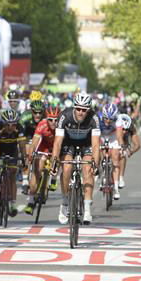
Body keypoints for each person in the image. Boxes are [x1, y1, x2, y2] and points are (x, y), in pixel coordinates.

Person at [51, 92, 100, 225]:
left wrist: (96, 164)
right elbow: (57, 142)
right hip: (68, 143)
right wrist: (54, 161)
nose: (80, 112)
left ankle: (87, 209)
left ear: (88, 110)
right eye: (78, 108)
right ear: (74, 108)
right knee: (66, 167)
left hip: (86, 144)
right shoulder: (64, 116)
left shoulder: (94, 118)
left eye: (84, 110)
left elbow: (95, 144)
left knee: (87, 169)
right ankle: (65, 201)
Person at [24, 104, 59, 215]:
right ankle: (30, 202)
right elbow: (34, 141)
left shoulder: (62, 125)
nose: (53, 122)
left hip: (57, 145)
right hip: (44, 145)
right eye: (50, 120)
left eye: (56, 120)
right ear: (46, 118)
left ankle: (53, 178)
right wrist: (31, 153)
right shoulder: (42, 124)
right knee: (37, 169)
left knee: (58, 157)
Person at [0, 108, 26, 217]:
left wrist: (24, 158)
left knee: (12, 175)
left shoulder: (19, 128)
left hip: (12, 150)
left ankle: (12, 204)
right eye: (7, 125)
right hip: (0, 149)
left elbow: (22, 145)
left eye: (13, 125)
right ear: (3, 123)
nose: (10, 127)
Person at [98, 103, 125, 200]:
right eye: (106, 118)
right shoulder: (98, 118)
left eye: (111, 119)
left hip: (113, 136)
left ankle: (116, 189)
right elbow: (95, 136)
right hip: (101, 135)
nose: (108, 121)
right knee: (98, 153)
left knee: (115, 159)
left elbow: (119, 136)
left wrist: (121, 146)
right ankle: (101, 172)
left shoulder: (118, 120)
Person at [20, 100, 45, 192]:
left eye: (40, 112)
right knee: (27, 153)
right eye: (35, 112)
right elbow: (21, 136)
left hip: (41, 136)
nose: (38, 115)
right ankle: (25, 179)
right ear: (31, 111)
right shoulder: (25, 116)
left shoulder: (46, 117)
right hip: (28, 134)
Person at [118, 113, 141, 188]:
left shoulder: (131, 127)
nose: (124, 131)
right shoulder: (114, 124)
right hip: (113, 136)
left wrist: (131, 151)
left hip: (124, 141)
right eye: (123, 129)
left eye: (126, 130)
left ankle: (121, 178)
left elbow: (137, 145)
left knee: (123, 153)